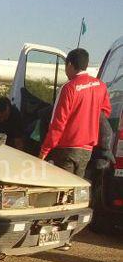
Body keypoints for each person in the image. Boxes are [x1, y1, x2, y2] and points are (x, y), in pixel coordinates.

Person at [39, 48, 111, 177]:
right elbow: (105, 113)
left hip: (66, 149)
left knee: (63, 189)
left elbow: (57, 123)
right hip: (87, 150)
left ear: (70, 65)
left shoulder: (68, 88)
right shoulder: (101, 86)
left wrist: (44, 151)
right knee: (77, 188)